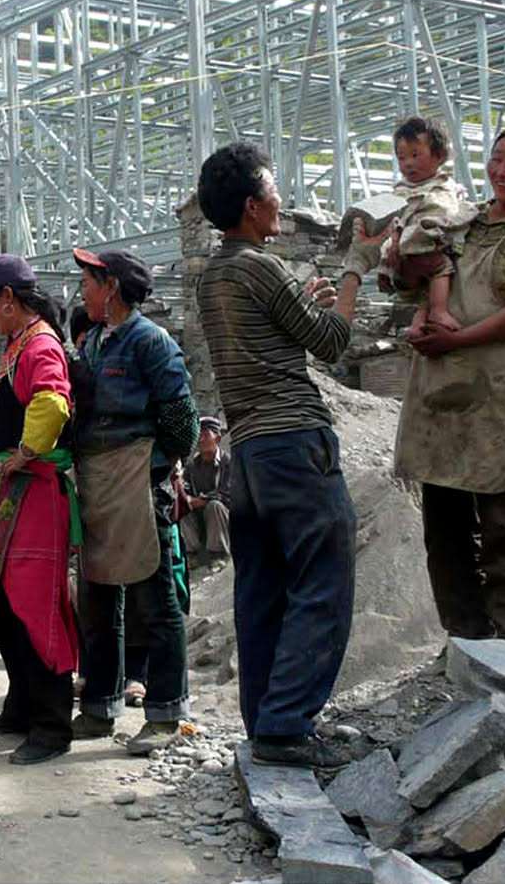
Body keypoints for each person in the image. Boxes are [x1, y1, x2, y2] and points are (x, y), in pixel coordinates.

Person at [195, 141, 362, 768]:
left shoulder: (218, 274)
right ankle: (289, 724)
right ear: (250, 206)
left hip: (252, 452)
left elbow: (275, 333)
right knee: (324, 578)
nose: (280, 202)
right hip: (296, 441)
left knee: (261, 588)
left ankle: (265, 718)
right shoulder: (258, 267)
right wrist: (354, 271)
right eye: (272, 191)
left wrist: (305, 300)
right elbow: (330, 342)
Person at [395, 123, 505, 646]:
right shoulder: (462, 222)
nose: (502, 170)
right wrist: (421, 308)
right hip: (445, 385)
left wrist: (462, 337)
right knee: (445, 523)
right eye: (497, 158)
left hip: (503, 387)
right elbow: (422, 277)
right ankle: (467, 640)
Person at [70, 247, 198, 755]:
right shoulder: (98, 340)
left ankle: (167, 712)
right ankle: (100, 705)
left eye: (89, 282)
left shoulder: (151, 341)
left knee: (154, 594)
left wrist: (155, 468)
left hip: (137, 477)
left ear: (113, 289)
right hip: (100, 477)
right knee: (99, 596)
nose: (83, 291)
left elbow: (181, 418)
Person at [0, 254, 78, 765]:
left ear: (8, 299)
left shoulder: (40, 344)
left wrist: (24, 454)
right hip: (17, 491)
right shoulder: (19, 344)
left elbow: (52, 402)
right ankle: (22, 704)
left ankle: (52, 725)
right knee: (7, 600)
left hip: (37, 490)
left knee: (35, 602)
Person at [344, 116, 477, 335]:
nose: (408, 163)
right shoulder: (404, 192)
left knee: (426, 289)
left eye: (415, 155)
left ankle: (418, 324)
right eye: (401, 157)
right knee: (442, 269)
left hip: (408, 252)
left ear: (440, 155)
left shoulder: (442, 186)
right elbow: (395, 222)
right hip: (417, 247)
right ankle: (439, 311)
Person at [181, 417, 232, 567]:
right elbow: (185, 489)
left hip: (224, 520)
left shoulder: (227, 463)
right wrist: (187, 499)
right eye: (199, 436)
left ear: (217, 438)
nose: (201, 440)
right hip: (201, 519)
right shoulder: (192, 467)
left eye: (205, 435)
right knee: (182, 508)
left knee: (215, 506)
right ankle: (193, 554)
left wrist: (202, 500)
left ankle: (218, 554)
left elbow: (228, 495)